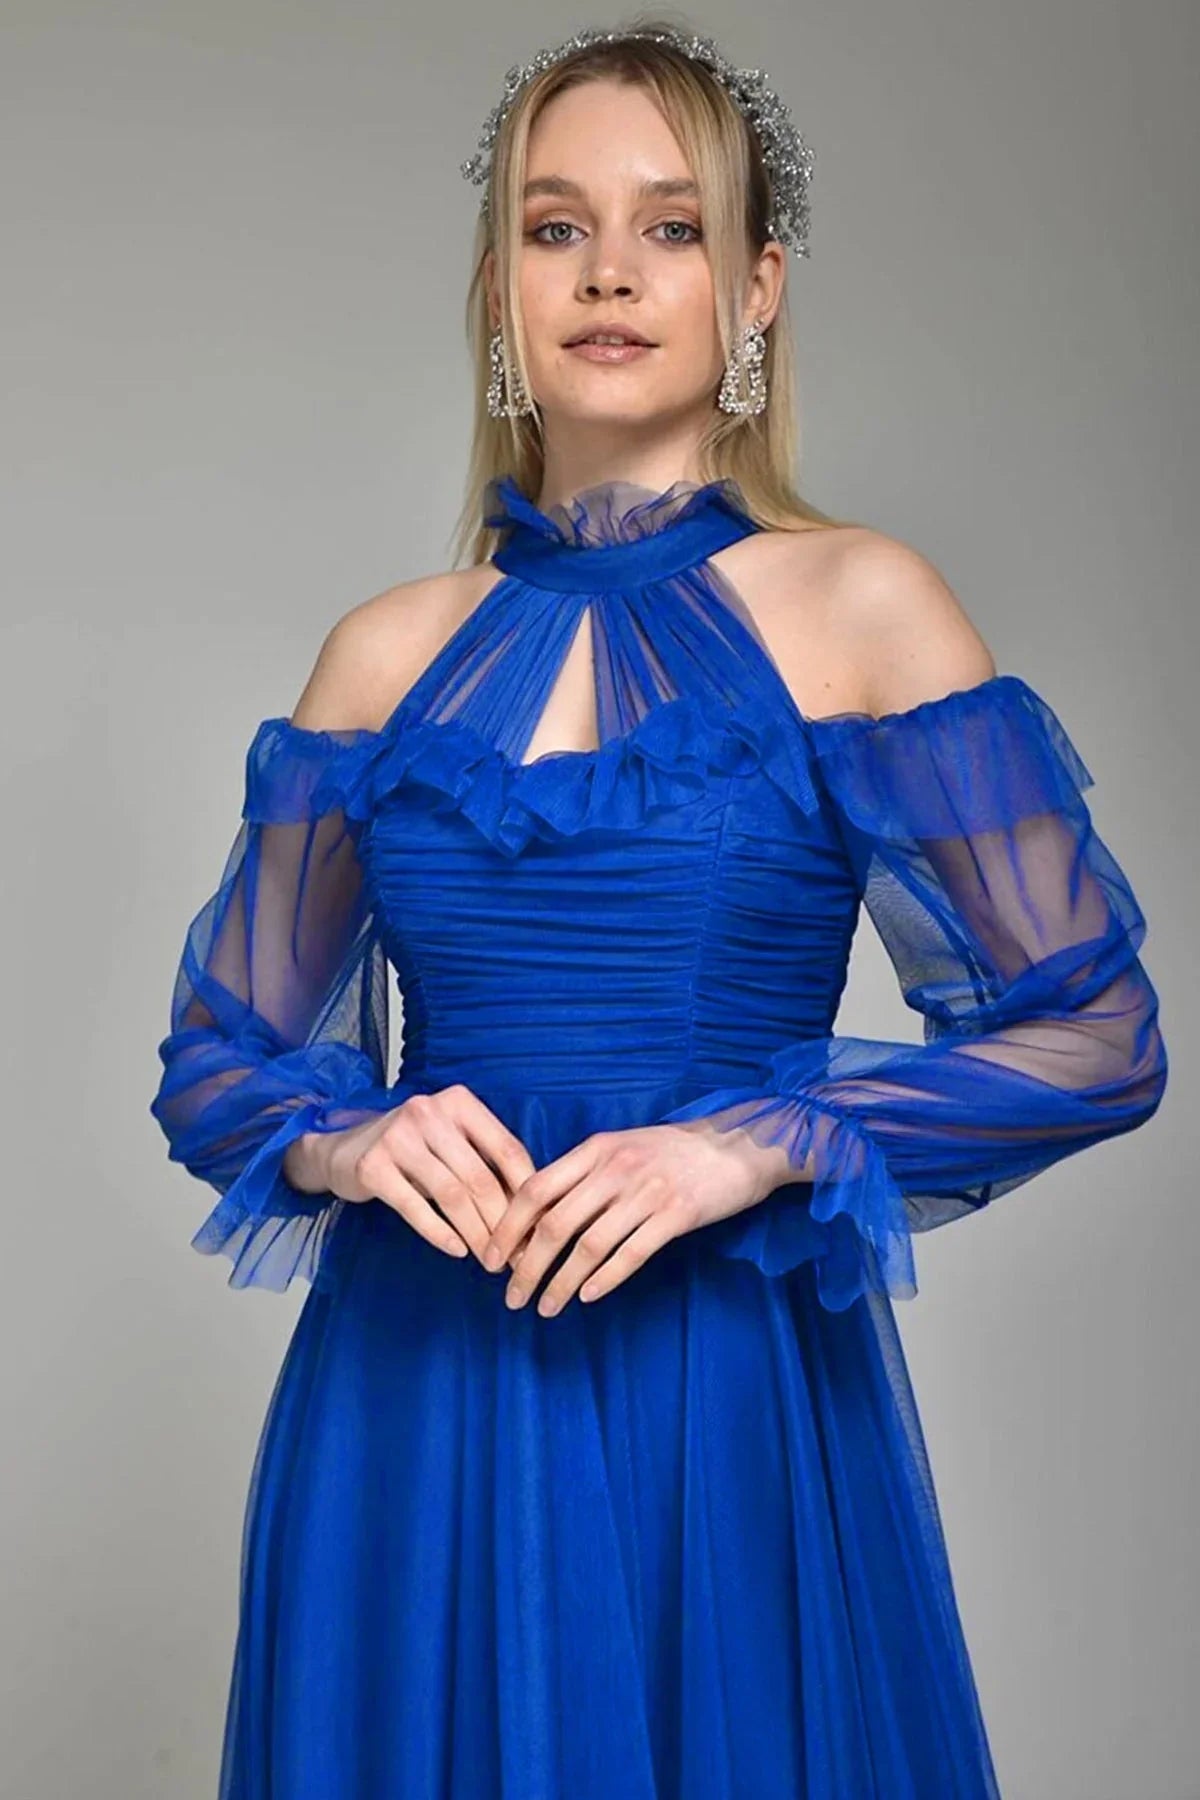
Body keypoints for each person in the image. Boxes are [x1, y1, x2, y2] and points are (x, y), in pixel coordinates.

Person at [149, 19, 1168, 1798]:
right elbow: (218, 1058)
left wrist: (760, 1140)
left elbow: (1097, 1035)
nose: (609, 272)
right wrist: (350, 1142)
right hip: (411, 1400)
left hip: (723, 1391)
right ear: (498, 288)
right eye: (556, 228)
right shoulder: (380, 654)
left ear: (756, 286)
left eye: (671, 226)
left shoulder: (863, 607)